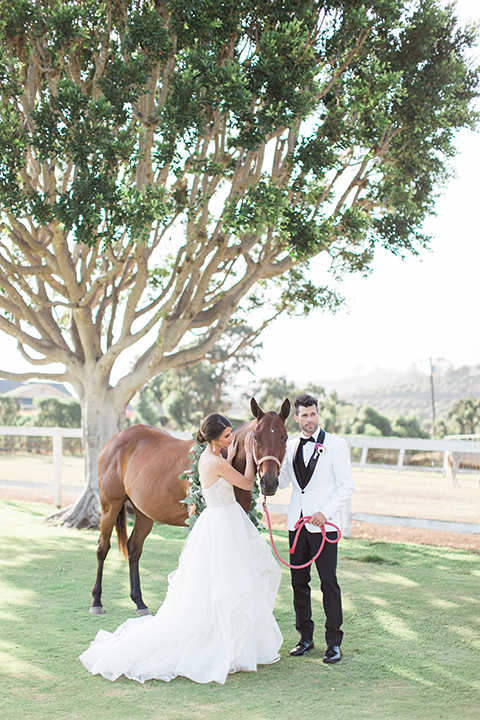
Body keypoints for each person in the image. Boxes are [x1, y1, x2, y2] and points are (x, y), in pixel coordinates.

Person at [79, 413, 283, 684]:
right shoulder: (214, 462)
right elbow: (246, 483)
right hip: (220, 523)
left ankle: (223, 634)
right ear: (213, 439)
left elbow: (230, 470)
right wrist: (246, 451)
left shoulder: (213, 457)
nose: (231, 438)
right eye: (226, 436)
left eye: (232, 434)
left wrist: (236, 450)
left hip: (220, 523)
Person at [278, 394, 354, 664]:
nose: (309, 419)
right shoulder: (290, 446)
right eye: (304, 415)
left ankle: (334, 643)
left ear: (317, 415)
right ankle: (305, 638)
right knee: (299, 582)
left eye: (313, 414)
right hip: (296, 525)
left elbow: (346, 486)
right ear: (296, 418)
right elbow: (285, 480)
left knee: (328, 583)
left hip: (324, 527)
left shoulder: (335, 444)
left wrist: (325, 513)